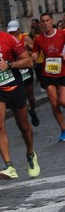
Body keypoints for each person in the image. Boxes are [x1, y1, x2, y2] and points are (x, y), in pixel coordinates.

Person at [0, 11, 40, 180]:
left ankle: (31, 154)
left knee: (24, 127)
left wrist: (9, 64)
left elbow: (28, 61)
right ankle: (9, 166)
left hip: (15, 86)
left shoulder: (10, 39)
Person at [31, 12, 65, 141]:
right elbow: (34, 53)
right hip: (48, 73)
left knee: (63, 101)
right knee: (54, 103)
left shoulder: (62, 33)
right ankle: (63, 130)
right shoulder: (38, 39)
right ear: (40, 24)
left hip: (63, 72)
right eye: (42, 21)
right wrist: (33, 57)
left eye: (47, 20)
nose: (45, 23)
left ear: (52, 21)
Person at [6, 20, 40, 127]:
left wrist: (33, 55)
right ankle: (24, 119)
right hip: (15, 71)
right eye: (10, 32)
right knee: (21, 96)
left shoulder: (25, 38)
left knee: (30, 95)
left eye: (14, 31)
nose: (12, 34)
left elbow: (35, 50)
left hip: (26, 70)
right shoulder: (7, 40)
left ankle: (33, 110)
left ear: (19, 30)